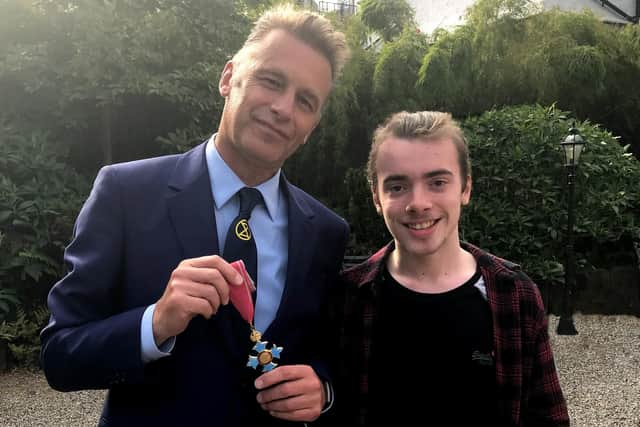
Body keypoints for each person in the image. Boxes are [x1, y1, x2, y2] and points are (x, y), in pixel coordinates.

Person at [40, 5, 350, 426]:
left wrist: (324, 389)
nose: (283, 108)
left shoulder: (325, 233)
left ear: (312, 125)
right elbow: (60, 355)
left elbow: (324, 350)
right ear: (228, 78)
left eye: (305, 101)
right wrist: (156, 322)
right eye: (271, 81)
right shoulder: (126, 193)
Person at [329, 111, 570, 426]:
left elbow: (547, 418)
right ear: (377, 197)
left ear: (465, 188)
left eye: (437, 182)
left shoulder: (515, 295)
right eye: (398, 187)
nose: (418, 203)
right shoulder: (347, 298)